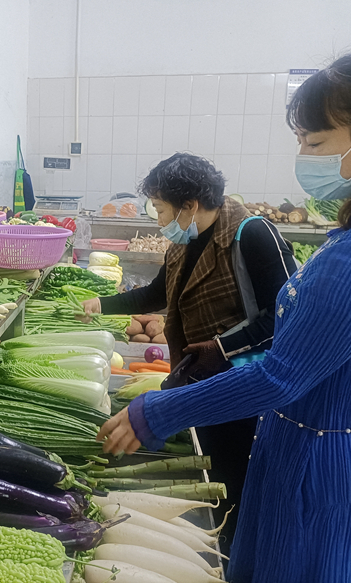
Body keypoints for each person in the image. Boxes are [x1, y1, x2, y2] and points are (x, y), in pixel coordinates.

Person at [98, 48, 351, 583]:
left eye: (315, 142)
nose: (303, 156)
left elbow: (283, 375)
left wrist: (158, 412)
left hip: (323, 472)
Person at [83, 152, 297, 554]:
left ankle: (237, 552)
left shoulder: (252, 234)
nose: (159, 220)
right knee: (214, 465)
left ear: (189, 205)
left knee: (236, 473)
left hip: (244, 384)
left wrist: (222, 347)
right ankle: (220, 542)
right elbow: (159, 294)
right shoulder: (183, 242)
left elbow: (289, 316)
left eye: (161, 210)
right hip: (199, 378)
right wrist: (102, 304)